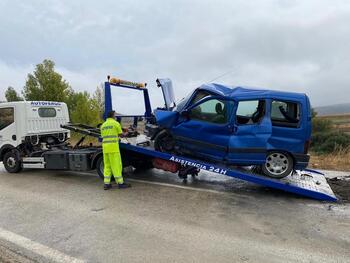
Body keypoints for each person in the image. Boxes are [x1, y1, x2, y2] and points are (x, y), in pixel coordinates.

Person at [100, 110, 131, 190]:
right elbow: (121, 135)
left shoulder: (103, 125)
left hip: (105, 149)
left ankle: (106, 184)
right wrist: (127, 133)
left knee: (107, 166)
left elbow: (106, 135)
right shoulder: (115, 123)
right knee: (116, 165)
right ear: (113, 116)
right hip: (113, 148)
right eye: (115, 115)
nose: (116, 116)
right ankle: (120, 183)